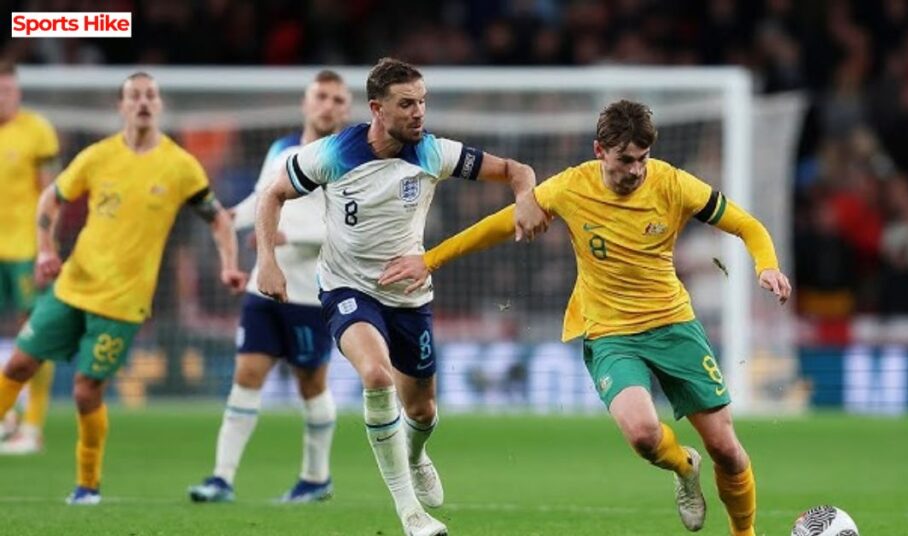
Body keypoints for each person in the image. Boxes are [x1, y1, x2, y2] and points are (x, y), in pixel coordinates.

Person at [380, 100, 792, 536]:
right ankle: (683, 466)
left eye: (643, 159)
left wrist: (765, 264)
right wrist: (432, 259)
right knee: (642, 435)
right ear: (600, 151)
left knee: (726, 449)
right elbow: (500, 224)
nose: (636, 170)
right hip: (611, 333)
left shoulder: (673, 184)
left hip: (674, 326)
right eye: (626, 160)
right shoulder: (570, 188)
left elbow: (748, 226)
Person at [255, 57, 548, 536]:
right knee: (375, 376)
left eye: (423, 103)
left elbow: (518, 171)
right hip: (348, 288)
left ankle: (415, 455)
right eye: (407, 104)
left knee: (423, 411)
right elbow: (273, 194)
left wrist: (526, 197)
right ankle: (411, 513)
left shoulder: (433, 153)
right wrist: (268, 260)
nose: (419, 113)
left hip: (409, 295)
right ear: (377, 108)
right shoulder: (332, 153)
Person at [0, 72, 247, 505]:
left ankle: (87, 485)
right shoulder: (97, 157)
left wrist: (229, 265)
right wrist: (44, 250)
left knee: (84, 390)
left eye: (150, 95)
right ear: (122, 106)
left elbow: (218, 218)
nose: (143, 102)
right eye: (134, 96)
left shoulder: (179, 165)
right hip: (71, 286)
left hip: (122, 302)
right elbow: (51, 199)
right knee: (18, 364)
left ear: (160, 105)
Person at [188, 70, 351, 504]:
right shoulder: (281, 150)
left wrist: (289, 238)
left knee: (311, 385)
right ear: (305, 102)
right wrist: (229, 216)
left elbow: (352, 232)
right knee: (246, 374)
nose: (328, 105)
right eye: (321, 96)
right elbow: (264, 199)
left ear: (347, 109)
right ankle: (221, 478)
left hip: (311, 295)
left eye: (337, 99)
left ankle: (316, 478)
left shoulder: (348, 160)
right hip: (265, 288)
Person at [0, 61, 60, 455]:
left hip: (24, 249)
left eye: (10, 90)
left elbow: (52, 195)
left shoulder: (37, 130)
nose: (5, 97)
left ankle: (32, 426)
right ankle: (7, 416)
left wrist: (47, 247)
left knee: (35, 335)